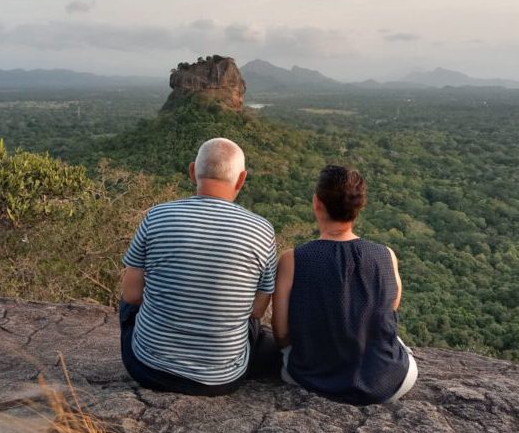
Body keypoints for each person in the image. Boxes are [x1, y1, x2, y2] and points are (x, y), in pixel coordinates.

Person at [120, 137, 278, 395]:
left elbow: (132, 295)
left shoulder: (156, 216)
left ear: (193, 171)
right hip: (222, 380)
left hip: (147, 369)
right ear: (241, 180)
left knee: (126, 303)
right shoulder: (261, 230)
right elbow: (257, 310)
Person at [272, 165, 417, 405]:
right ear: (360, 206)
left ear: (317, 203)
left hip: (313, 379)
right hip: (389, 382)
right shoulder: (386, 255)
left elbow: (282, 333)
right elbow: (389, 308)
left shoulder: (293, 259)